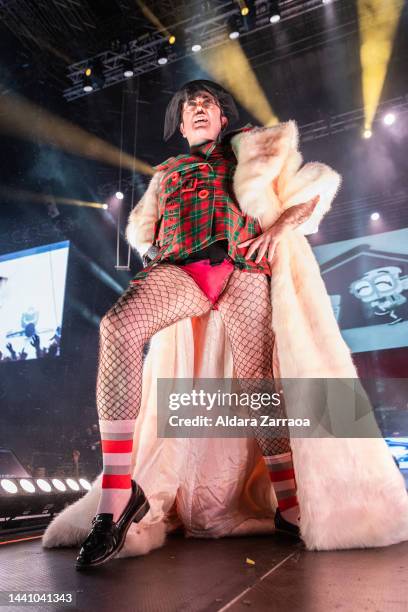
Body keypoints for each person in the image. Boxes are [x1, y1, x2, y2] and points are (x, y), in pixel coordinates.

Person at [75, 80, 320, 569]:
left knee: (259, 383)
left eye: (207, 102)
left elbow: (312, 193)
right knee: (117, 326)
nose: (198, 108)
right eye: (188, 106)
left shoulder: (254, 152)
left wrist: (277, 228)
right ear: (180, 126)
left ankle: (289, 508)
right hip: (180, 270)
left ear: (223, 117)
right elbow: (145, 234)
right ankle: (118, 498)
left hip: (243, 269)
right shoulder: (166, 172)